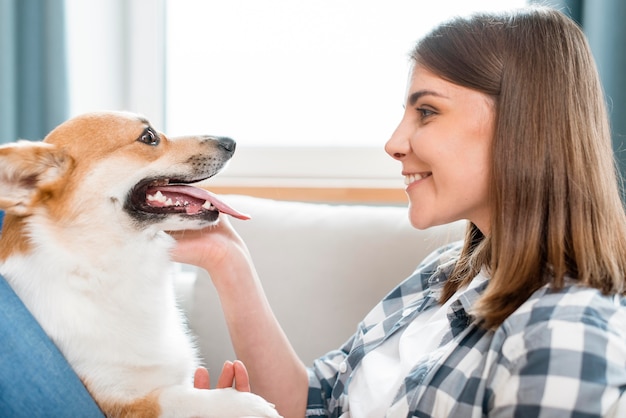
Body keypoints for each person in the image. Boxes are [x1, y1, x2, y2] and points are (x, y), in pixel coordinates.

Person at [171, 6, 626, 418]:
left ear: (522, 125)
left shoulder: (565, 329)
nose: (393, 143)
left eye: (427, 112)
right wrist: (228, 261)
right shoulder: (442, 277)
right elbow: (310, 403)